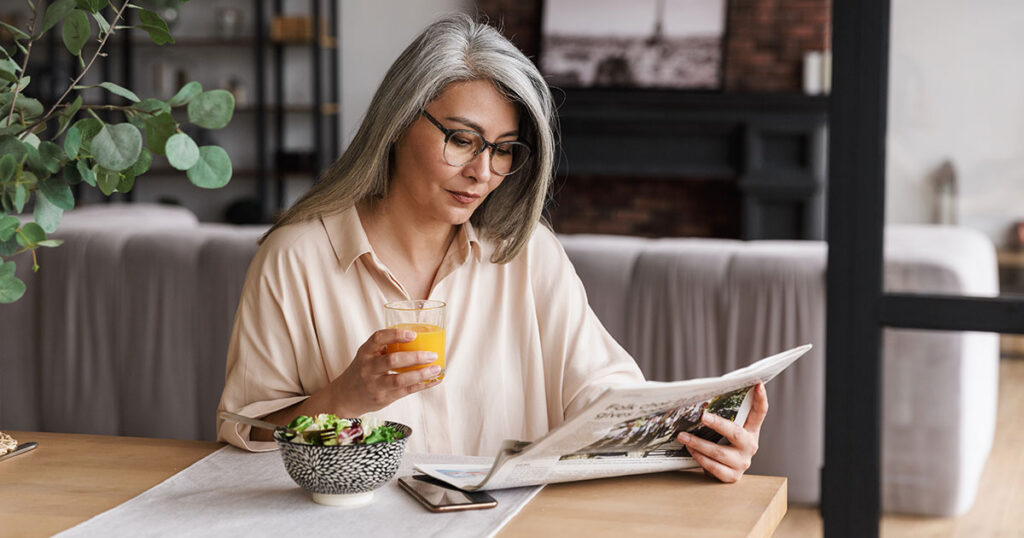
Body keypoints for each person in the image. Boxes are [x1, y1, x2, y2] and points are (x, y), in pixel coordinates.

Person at [216, 13, 766, 484]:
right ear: (399, 122)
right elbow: (248, 431)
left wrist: (698, 439)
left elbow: (602, 392)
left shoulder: (528, 253)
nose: (482, 173)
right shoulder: (296, 259)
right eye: (461, 139)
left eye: (504, 150)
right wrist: (344, 398)